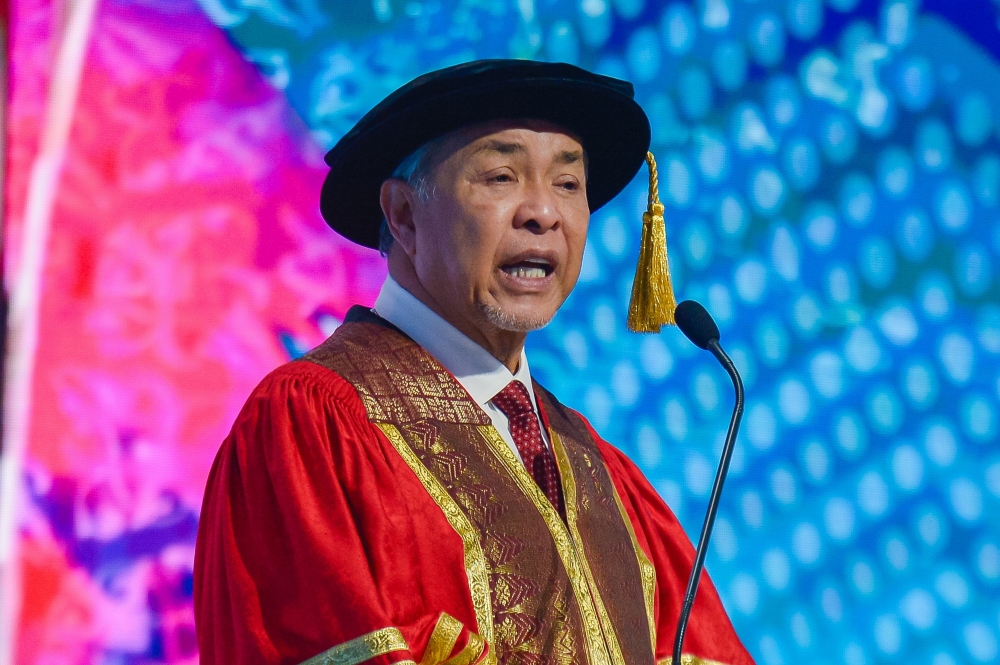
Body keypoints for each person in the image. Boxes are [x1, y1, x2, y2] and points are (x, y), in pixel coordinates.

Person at [194, 60, 754, 665]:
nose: (544, 213)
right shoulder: (312, 426)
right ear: (403, 215)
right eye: (501, 176)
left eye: (568, 184)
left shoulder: (603, 473)